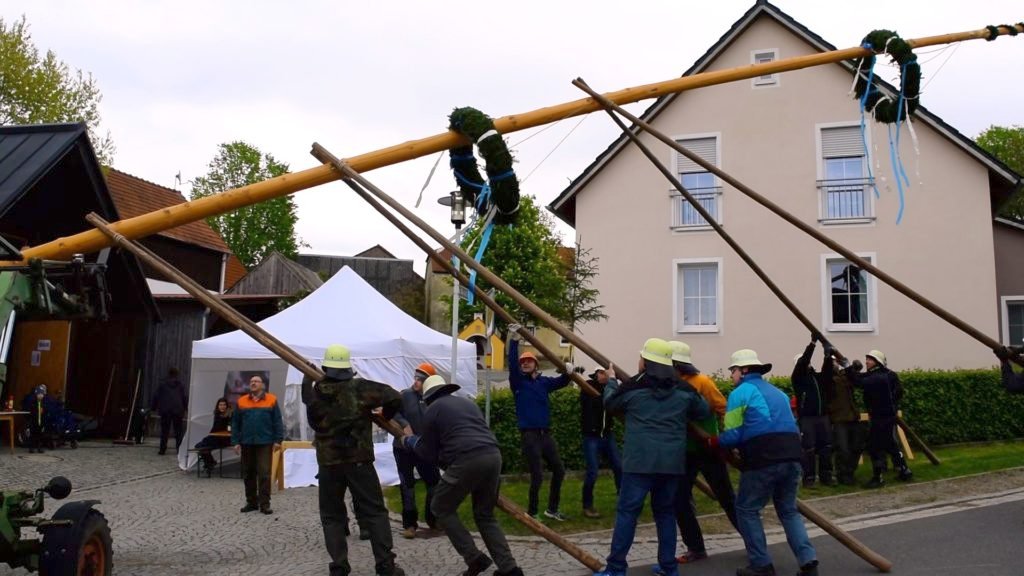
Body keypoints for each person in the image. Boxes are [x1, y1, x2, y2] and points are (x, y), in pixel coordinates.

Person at [593, 338, 710, 576]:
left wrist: (612, 381)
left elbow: (611, 404)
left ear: (645, 361)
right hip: (671, 463)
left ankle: (616, 568)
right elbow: (703, 410)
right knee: (665, 514)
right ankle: (668, 567)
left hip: (639, 462)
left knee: (627, 513)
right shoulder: (683, 388)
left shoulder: (634, 386)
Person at [301, 344, 406, 576]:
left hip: (329, 463)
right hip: (359, 461)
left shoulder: (316, 395)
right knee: (376, 512)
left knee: (331, 516)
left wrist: (306, 380)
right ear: (348, 368)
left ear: (326, 367)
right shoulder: (360, 388)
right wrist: (384, 415)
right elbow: (395, 397)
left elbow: (313, 419)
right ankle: (386, 565)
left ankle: (339, 567)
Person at [405, 374, 524, 576]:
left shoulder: (433, 410)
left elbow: (427, 452)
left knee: (440, 506)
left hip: (467, 458)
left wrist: (409, 441)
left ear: (427, 397)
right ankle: (510, 569)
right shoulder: (467, 403)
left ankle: (474, 558)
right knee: (485, 515)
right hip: (493, 455)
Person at [715, 349, 818, 576]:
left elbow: (732, 435)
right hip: (793, 456)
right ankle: (808, 561)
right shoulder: (778, 393)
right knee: (788, 510)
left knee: (747, 509)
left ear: (743, 371)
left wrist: (715, 441)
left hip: (763, 459)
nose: (731, 375)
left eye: (733, 370)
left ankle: (761, 564)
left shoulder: (740, 394)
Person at [667, 340, 736, 566]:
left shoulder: (702, 382)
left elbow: (723, 407)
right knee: (679, 499)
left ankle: (753, 539)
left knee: (726, 497)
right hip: (684, 451)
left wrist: (727, 436)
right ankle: (695, 547)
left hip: (708, 448)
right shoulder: (668, 383)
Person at [506, 323, 571, 521]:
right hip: (530, 435)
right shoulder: (518, 383)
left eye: (529, 361)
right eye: (523, 362)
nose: (525, 364)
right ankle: (532, 512)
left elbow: (560, 382)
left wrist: (568, 373)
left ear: (535, 364)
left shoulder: (543, 383)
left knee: (558, 470)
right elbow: (511, 363)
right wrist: (514, 341)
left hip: (545, 434)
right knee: (537, 474)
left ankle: (552, 509)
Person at [392, 362, 441, 539]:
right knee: (407, 485)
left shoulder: (433, 398)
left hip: (424, 448)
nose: (416, 382)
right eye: (415, 377)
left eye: (420, 379)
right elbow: (392, 412)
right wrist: (404, 424)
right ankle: (410, 524)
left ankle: (433, 519)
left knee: (434, 483)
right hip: (403, 447)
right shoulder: (404, 395)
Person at [849, 350, 911, 488]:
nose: (866, 362)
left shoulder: (877, 377)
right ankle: (904, 470)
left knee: (874, 446)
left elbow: (859, 382)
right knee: (890, 444)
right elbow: (899, 392)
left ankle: (878, 477)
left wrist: (848, 367)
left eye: (869, 360)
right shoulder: (889, 374)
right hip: (888, 415)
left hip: (880, 417)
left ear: (877, 362)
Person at [231, 373, 283, 515]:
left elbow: (277, 421)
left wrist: (278, 440)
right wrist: (235, 441)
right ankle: (251, 502)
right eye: (251, 381)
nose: (253, 383)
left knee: (264, 473)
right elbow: (235, 423)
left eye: (256, 381)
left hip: (265, 442)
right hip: (247, 442)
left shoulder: (271, 400)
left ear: (262, 385)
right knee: (248, 473)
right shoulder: (242, 401)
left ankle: (265, 504)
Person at [791, 337, 835, 487]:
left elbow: (828, 374)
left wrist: (827, 356)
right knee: (808, 448)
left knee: (826, 447)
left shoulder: (817, 377)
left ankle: (826, 476)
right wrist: (812, 344)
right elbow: (803, 362)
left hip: (822, 416)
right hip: (807, 418)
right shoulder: (797, 378)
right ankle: (809, 478)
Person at [579, 366, 622, 519]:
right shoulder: (588, 386)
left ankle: (622, 501)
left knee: (619, 466)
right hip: (591, 436)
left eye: (606, 372)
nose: (604, 375)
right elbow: (594, 403)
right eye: (601, 372)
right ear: (596, 374)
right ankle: (587, 505)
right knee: (592, 471)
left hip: (607, 435)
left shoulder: (610, 389)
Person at [827, 350, 864, 485]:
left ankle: (850, 472)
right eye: (833, 362)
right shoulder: (829, 379)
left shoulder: (845, 376)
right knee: (843, 449)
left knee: (857, 446)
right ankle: (842, 474)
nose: (835, 364)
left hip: (853, 417)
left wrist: (849, 365)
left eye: (836, 362)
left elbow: (856, 374)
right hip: (838, 419)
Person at [151, 367, 188, 455]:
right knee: (178, 432)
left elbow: (156, 397)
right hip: (178, 410)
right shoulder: (180, 385)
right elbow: (184, 398)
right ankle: (179, 449)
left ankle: (162, 449)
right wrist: (186, 408)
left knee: (165, 431)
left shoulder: (162, 384)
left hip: (165, 410)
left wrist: (153, 408)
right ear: (177, 374)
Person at [194, 397, 232, 475]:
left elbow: (227, 428)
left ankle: (210, 463)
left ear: (227, 406)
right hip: (215, 437)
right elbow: (215, 428)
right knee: (199, 446)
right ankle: (210, 462)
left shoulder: (229, 415)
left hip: (224, 439)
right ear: (218, 406)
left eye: (224, 405)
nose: (222, 406)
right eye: (220, 405)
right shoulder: (217, 415)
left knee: (201, 446)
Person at [23, 385, 49, 453]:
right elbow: (30, 411)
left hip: (42, 422)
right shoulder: (33, 402)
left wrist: (44, 412)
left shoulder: (45, 403)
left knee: (40, 435)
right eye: (39, 394)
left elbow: (46, 412)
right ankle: (31, 447)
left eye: (42, 394)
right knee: (33, 435)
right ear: (36, 394)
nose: (40, 396)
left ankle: (40, 447)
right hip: (34, 422)